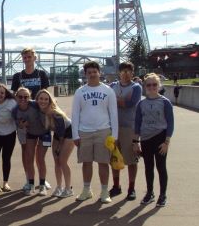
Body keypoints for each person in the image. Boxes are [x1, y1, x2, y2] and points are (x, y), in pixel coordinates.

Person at [72, 61, 118, 203]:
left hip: (103, 131)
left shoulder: (108, 90)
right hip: (84, 131)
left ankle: (104, 191)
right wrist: (75, 134)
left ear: (99, 73)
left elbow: (113, 113)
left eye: (94, 72)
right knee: (86, 162)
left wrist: (114, 135)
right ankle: (87, 190)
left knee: (103, 162)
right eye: (89, 72)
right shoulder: (80, 91)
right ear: (85, 75)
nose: (92, 74)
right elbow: (75, 114)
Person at [11, 47, 51, 191]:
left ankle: (42, 179)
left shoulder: (41, 74)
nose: (27, 59)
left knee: (40, 153)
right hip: (24, 117)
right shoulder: (17, 76)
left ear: (35, 58)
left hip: (41, 116)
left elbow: (47, 95)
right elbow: (15, 97)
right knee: (26, 151)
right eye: (25, 57)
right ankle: (29, 179)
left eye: (29, 57)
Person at [134, 73, 174, 207]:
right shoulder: (141, 104)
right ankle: (150, 193)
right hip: (145, 139)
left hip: (160, 138)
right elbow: (137, 123)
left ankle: (163, 195)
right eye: (148, 85)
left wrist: (166, 142)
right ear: (144, 87)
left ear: (159, 85)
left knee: (161, 167)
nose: (151, 87)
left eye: (154, 84)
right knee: (148, 167)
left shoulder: (165, 102)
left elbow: (170, 123)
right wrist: (136, 142)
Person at [109, 62, 142, 201]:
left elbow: (130, 103)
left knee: (131, 160)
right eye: (123, 71)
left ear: (132, 73)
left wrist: (115, 100)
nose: (126, 73)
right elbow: (109, 103)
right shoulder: (112, 86)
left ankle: (131, 188)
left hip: (130, 127)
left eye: (129, 71)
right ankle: (116, 186)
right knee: (114, 158)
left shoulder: (136, 87)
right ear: (119, 73)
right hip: (113, 127)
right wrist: (121, 100)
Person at [35, 89, 75, 198]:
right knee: (56, 161)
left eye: (46, 99)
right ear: (37, 99)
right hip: (57, 134)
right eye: (41, 99)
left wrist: (58, 147)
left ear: (50, 101)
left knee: (62, 160)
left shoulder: (55, 114)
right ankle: (59, 187)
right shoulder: (40, 110)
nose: (43, 101)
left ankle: (68, 188)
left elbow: (62, 133)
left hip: (68, 133)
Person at [11, 87, 50, 196]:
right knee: (29, 158)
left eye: (26, 97)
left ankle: (42, 185)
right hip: (30, 133)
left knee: (40, 159)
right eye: (20, 97)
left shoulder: (35, 104)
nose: (23, 99)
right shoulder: (15, 111)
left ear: (30, 97)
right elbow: (18, 124)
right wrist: (22, 125)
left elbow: (50, 104)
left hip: (44, 133)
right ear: (16, 97)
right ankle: (31, 183)